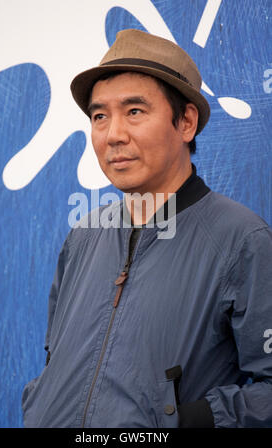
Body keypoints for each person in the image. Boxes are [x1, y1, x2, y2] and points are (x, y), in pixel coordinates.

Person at [22, 29, 272, 428]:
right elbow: (56, 361)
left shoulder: (241, 239)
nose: (113, 135)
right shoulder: (83, 236)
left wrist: (188, 420)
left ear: (186, 122)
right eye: (99, 115)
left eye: (134, 111)